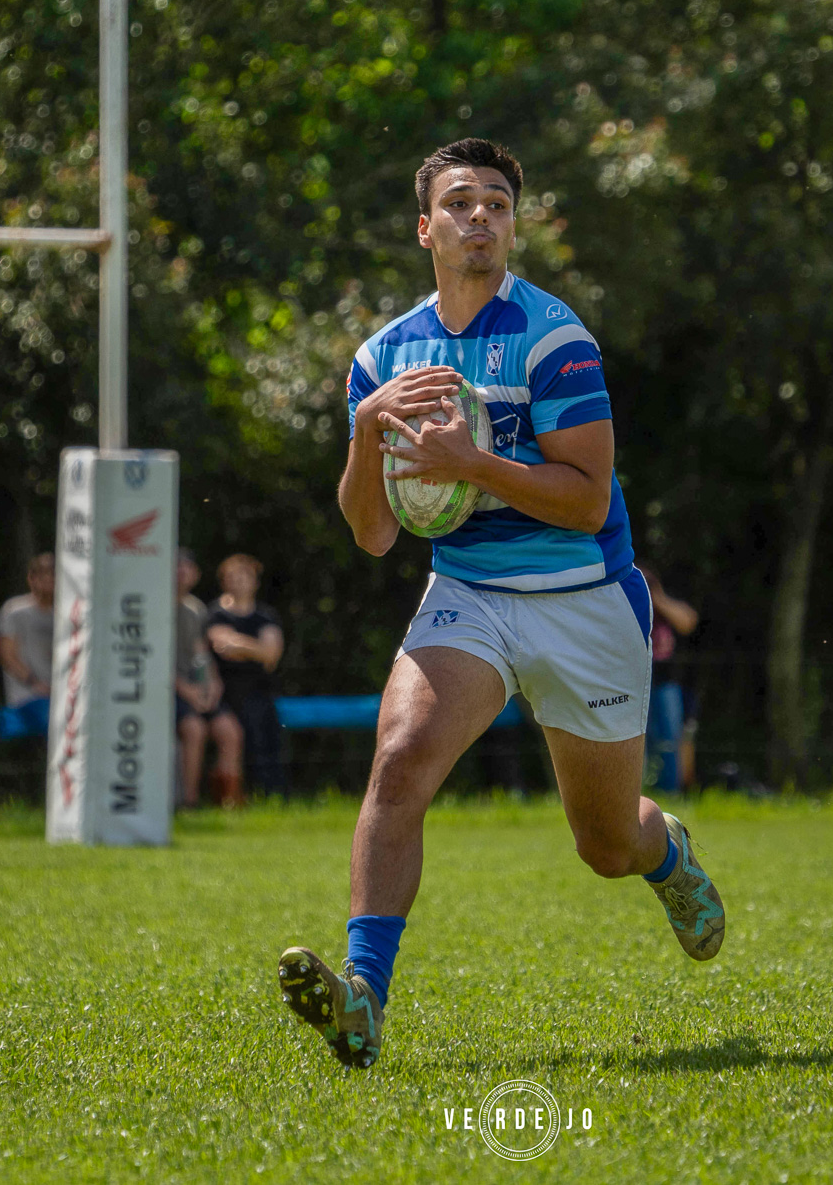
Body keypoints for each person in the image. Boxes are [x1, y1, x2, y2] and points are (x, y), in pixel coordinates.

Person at [277, 138, 724, 1071]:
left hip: (584, 601)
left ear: (512, 226)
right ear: (425, 227)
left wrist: (471, 464)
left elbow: (588, 499)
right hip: (469, 594)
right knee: (398, 761)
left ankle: (665, 854)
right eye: (460, 202)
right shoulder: (385, 356)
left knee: (604, 845)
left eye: (496, 205)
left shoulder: (555, 340)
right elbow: (370, 533)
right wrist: (365, 431)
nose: (479, 217)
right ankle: (363, 998)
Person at [206, 553, 286, 800]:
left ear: (255, 582)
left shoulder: (266, 616)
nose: (239, 582)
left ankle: (269, 799)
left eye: (245, 576)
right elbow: (220, 643)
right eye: (233, 576)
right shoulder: (213, 615)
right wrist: (257, 649)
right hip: (222, 695)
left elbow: (272, 655)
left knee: (266, 745)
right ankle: (229, 800)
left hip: (259, 693)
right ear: (223, 581)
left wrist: (239, 646)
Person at [173, 550, 230, 807]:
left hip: (194, 689)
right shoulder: (152, 606)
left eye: (188, 568)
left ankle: (229, 803)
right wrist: (186, 690)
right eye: (177, 567)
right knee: (194, 729)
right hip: (167, 690)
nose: (183, 573)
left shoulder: (196, 609)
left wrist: (212, 684)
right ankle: (190, 802)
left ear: (196, 575)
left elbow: (201, 654)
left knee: (230, 730)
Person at [640, 566, 699, 792]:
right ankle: (641, 793)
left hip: (667, 683)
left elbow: (688, 622)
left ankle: (671, 792)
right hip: (635, 686)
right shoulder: (628, 608)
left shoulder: (665, 606)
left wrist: (658, 598)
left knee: (670, 740)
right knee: (637, 743)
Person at [0, 553, 54, 740]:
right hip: (28, 697)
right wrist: (35, 683)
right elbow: (7, 656)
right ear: (31, 578)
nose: (48, 580)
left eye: (53, 575)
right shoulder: (15, 611)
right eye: (42, 575)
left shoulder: (67, 612)